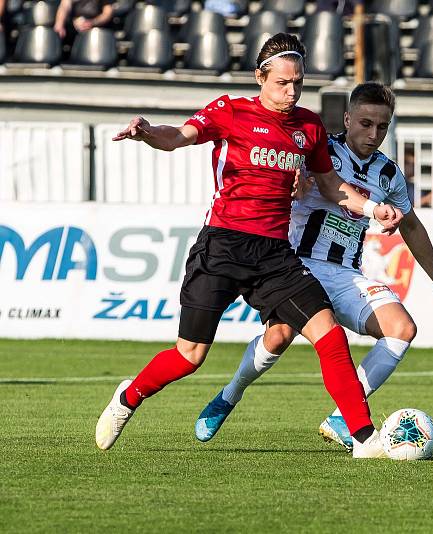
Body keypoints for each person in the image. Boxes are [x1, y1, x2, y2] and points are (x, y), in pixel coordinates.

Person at [95, 33, 405, 459]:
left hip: (275, 253)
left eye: (297, 82)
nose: (291, 91)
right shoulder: (230, 111)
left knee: (328, 333)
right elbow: (179, 136)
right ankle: (129, 397)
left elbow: (333, 187)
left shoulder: (309, 126)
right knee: (189, 356)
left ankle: (364, 439)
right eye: (282, 83)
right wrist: (147, 132)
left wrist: (373, 209)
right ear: (261, 77)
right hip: (222, 245)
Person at [194, 82, 433, 451]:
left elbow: (411, 225)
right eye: (365, 123)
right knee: (278, 338)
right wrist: (297, 186)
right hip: (296, 265)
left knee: (401, 328)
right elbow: (299, 184)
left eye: (382, 126)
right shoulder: (321, 150)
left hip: (346, 273)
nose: (373, 133)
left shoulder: (388, 173)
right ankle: (229, 395)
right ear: (347, 118)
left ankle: (341, 418)